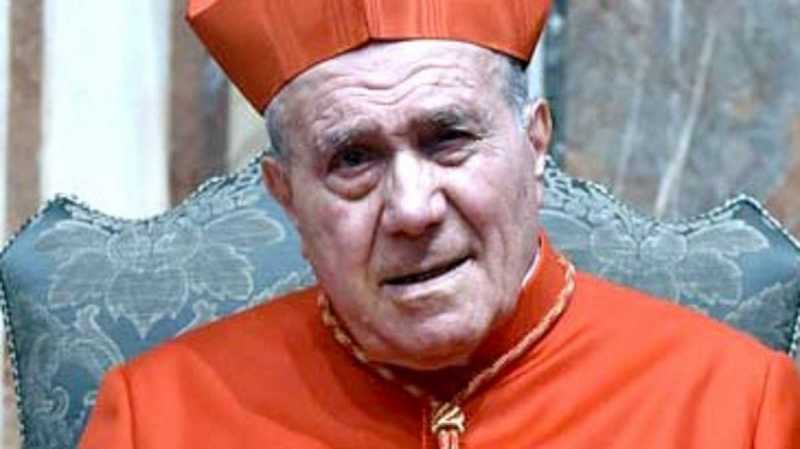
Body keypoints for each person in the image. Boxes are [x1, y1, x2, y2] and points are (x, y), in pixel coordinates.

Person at [80, 0, 800, 448]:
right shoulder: (159, 419)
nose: (413, 208)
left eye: (448, 138)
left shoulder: (738, 407)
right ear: (287, 196)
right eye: (353, 158)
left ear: (535, 143)